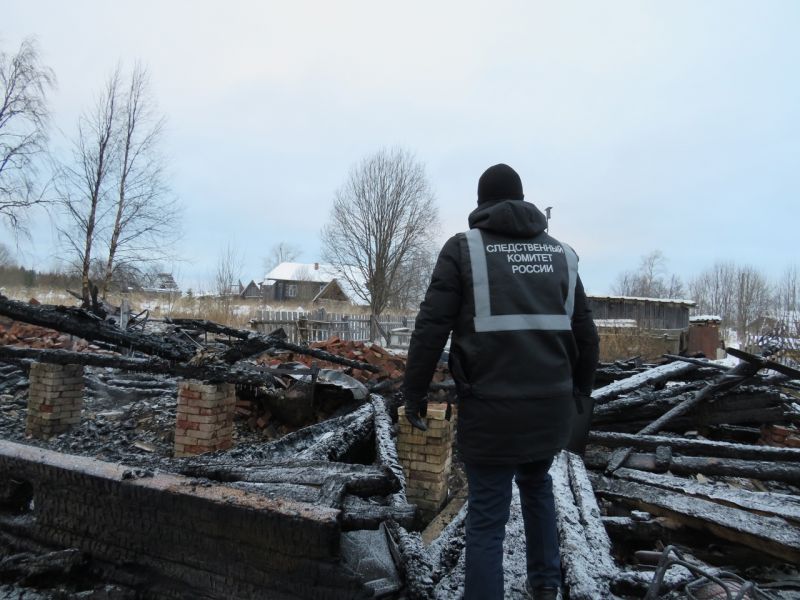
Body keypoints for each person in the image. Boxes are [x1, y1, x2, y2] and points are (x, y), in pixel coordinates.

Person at [402, 164, 599, 600]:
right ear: (523, 199)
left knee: (488, 517)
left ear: (481, 205)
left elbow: (431, 327)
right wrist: (580, 394)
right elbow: (587, 336)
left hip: (490, 409)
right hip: (549, 408)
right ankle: (546, 585)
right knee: (537, 486)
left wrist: (413, 392)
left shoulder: (464, 250)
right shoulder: (562, 255)